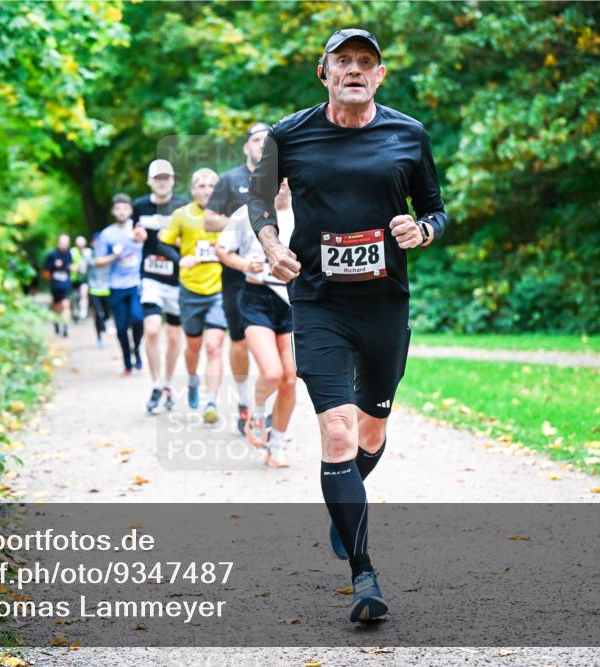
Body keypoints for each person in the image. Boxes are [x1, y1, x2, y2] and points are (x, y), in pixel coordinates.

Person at [248, 28, 448, 622]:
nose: (355, 69)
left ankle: (346, 497)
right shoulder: (290, 135)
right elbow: (259, 202)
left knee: (371, 431)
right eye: (344, 61)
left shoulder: (408, 134)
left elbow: (435, 206)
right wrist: (270, 243)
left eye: (367, 62)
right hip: (317, 301)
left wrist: (424, 230)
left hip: (385, 303)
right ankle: (364, 574)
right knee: (335, 433)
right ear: (325, 73)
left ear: (379, 76)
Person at [216, 179, 296, 468]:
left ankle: (276, 445)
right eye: (279, 178)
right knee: (272, 373)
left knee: (290, 379)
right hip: (256, 299)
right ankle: (257, 412)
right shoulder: (248, 213)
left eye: (289, 178)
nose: (284, 184)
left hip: (291, 302)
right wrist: (243, 265)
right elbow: (222, 250)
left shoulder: (307, 212)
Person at [204, 122, 271, 435]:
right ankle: (244, 403)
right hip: (236, 275)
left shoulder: (283, 180)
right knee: (240, 342)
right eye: (257, 140)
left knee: (276, 345)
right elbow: (208, 220)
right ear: (246, 146)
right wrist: (243, 220)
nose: (262, 145)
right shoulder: (230, 180)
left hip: (275, 278)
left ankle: (266, 409)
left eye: (268, 141)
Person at [160, 168, 225, 424]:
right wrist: (181, 259)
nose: (206, 190)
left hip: (219, 289)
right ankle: (193, 379)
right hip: (190, 289)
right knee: (193, 347)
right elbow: (164, 241)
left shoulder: (226, 214)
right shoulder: (181, 215)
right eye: (201, 186)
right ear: (192, 189)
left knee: (213, 345)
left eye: (211, 185)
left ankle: (212, 402)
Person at [134, 159, 190, 412]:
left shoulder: (182, 205)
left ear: (173, 180)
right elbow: (134, 234)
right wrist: (136, 237)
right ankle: (156, 383)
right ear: (149, 181)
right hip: (151, 276)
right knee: (153, 329)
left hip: (177, 278)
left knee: (174, 334)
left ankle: (167, 382)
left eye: (166, 178)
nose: (162, 182)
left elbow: (191, 239)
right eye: (157, 178)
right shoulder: (140, 206)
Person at [97, 194, 145, 375]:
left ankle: (137, 349)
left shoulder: (139, 230)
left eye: (125, 208)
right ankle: (127, 362)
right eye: (118, 208)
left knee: (138, 319)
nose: (121, 211)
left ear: (131, 210)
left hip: (136, 284)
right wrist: (114, 255)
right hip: (116, 286)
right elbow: (99, 261)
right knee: (122, 327)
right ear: (112, 211)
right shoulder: (107, 234)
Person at [43, 235, 75, 338]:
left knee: (66, 304)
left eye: (66, 243)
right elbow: (45, 270)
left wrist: (72, 268)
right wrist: (53, 265)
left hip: (66, 284)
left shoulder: (69, 254)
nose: (64, 245)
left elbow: (70, 266)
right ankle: (57, 324)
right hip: (55, 285)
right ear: (58, 243)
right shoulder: (52, 254)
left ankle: (65, 326)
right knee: (57, 306)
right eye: (62, 243)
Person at [86, 233, 111, 347]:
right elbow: (92, 264)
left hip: (107, 289)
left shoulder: (109, 254)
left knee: (106, 315)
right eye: (96, 241)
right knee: (99, 313)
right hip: (94, 289)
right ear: (93, 243)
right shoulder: (90, 255)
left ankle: (103, 326)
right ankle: (99, 337)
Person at [72, 235, 91, 322]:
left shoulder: (88, 252)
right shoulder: (72, 252)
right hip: (74, 278)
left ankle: (83, 314)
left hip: (85, 277)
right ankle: (75, 312)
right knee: (75, 297)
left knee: (84, 294)